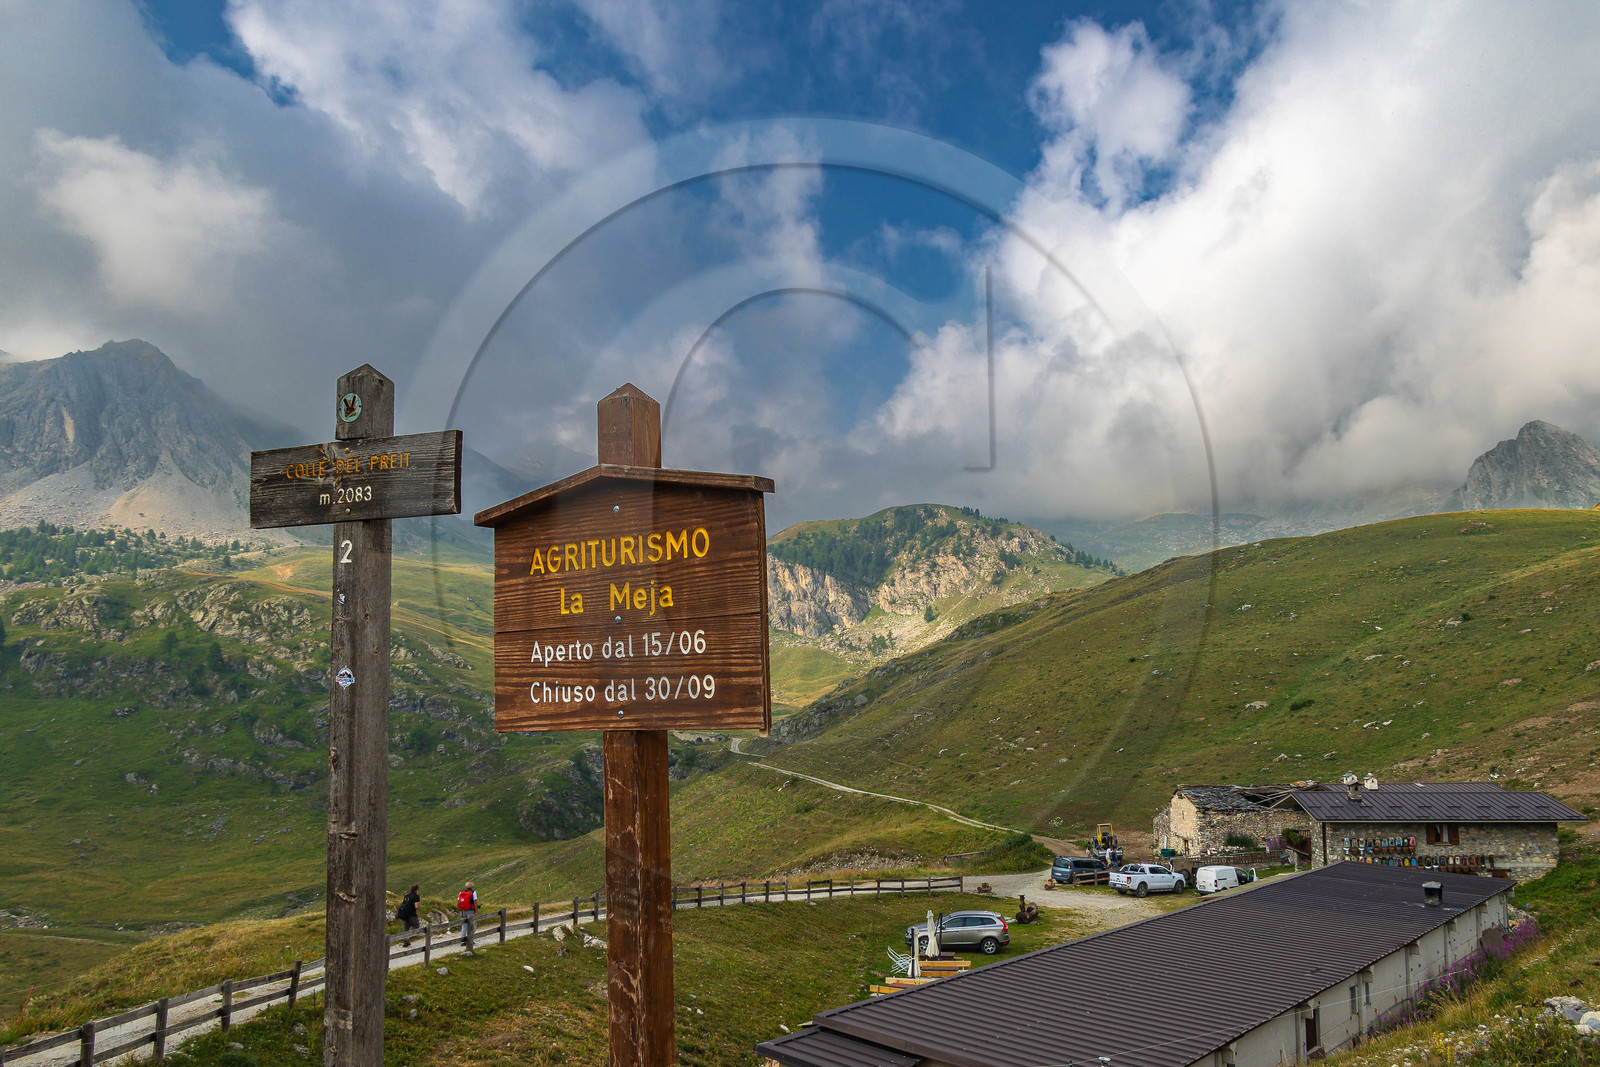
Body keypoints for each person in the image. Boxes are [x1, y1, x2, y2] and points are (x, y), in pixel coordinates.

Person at [457, 880, 479, 953]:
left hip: (463, 911)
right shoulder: (473, 892)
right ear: (472, 886)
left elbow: (458, 903)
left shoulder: (461, 893)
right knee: (473, 924)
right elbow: (475, 902)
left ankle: (462, 939)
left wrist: (459, 911)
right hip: (470, 910)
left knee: (464, 925)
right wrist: (476, 911)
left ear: (466, 886)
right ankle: (470, 939)